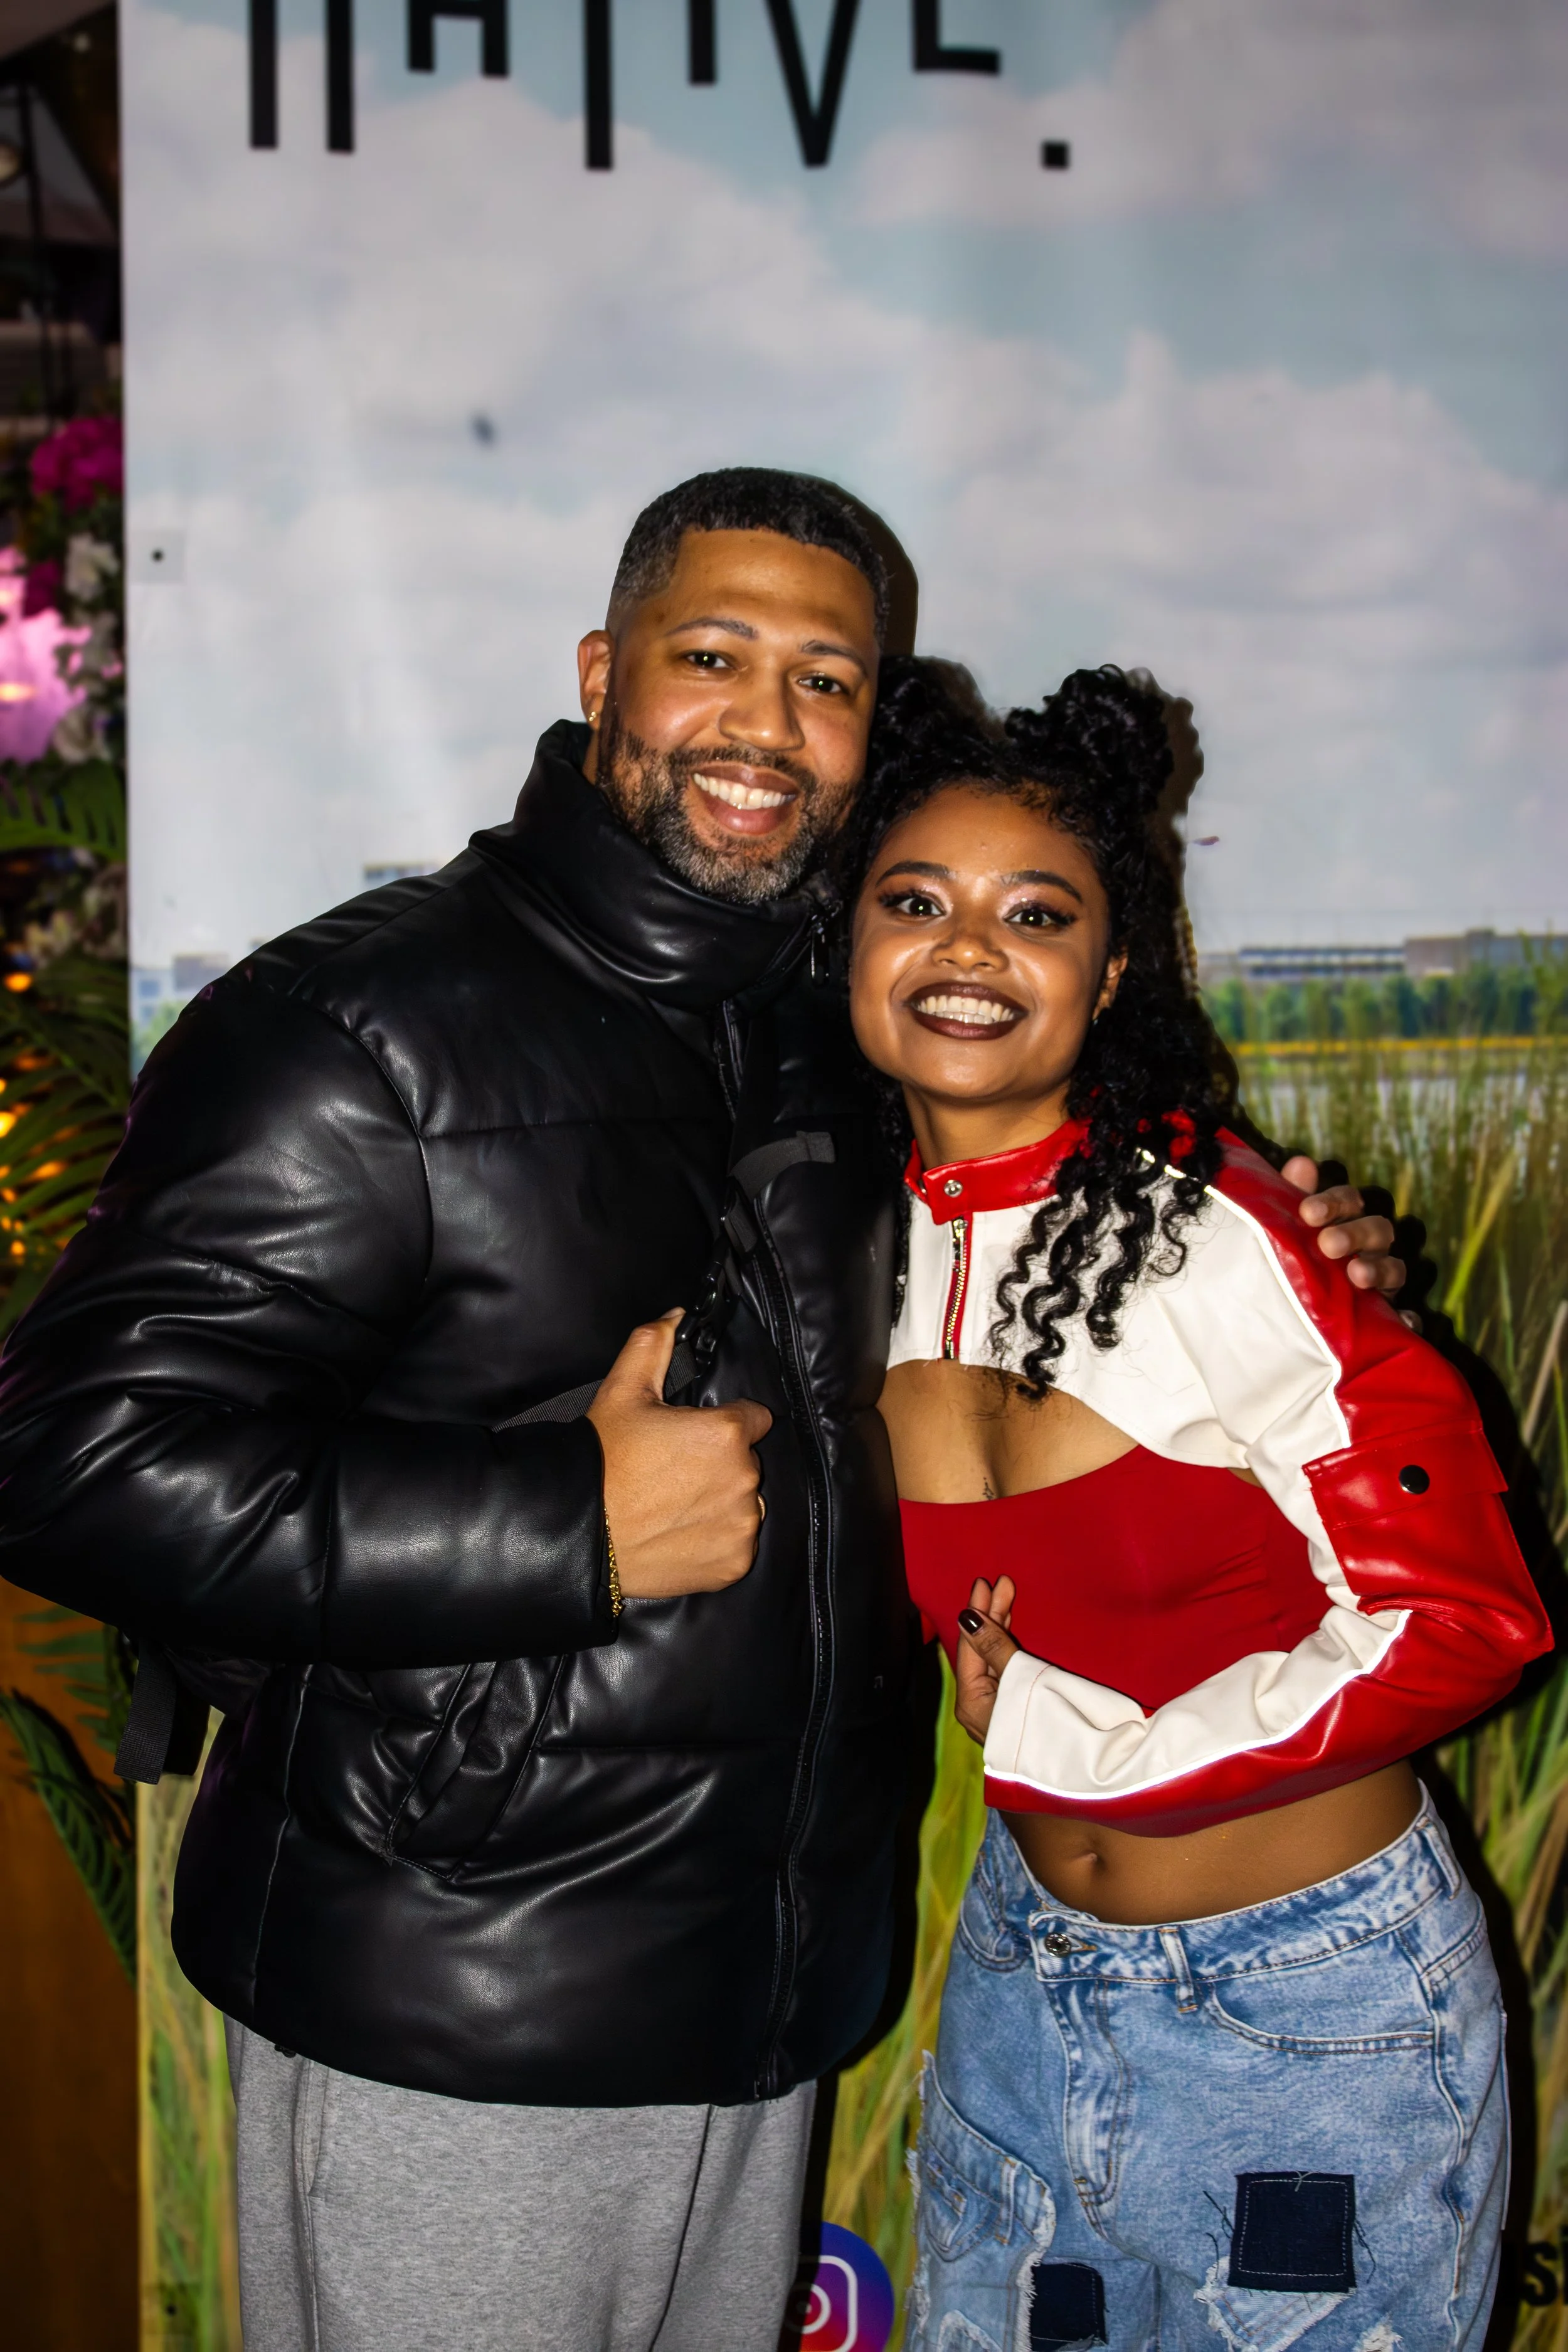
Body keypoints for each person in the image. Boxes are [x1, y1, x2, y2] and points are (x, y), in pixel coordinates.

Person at [0, 474, 1400, 2352]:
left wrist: (1300, 1247)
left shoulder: (844, 1025)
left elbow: (1055, 1222)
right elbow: (65, 1455)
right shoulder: (360, 1027)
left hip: (767, 2000)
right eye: (712, 655)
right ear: (605, 674)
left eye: (823, 677)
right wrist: (563, 1524)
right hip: (459, 2006)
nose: (765, 718)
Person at [846, 662, 1551, 2352]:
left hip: (1311, 2015)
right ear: (845, 941)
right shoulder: (827, 1247)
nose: (965, 947)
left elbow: (1468, 1615)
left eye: (1034, 911)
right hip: (1021, 1983)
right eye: (912, 899)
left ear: (1112, 969)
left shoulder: (1228, 1230)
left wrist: (1088, 1751)